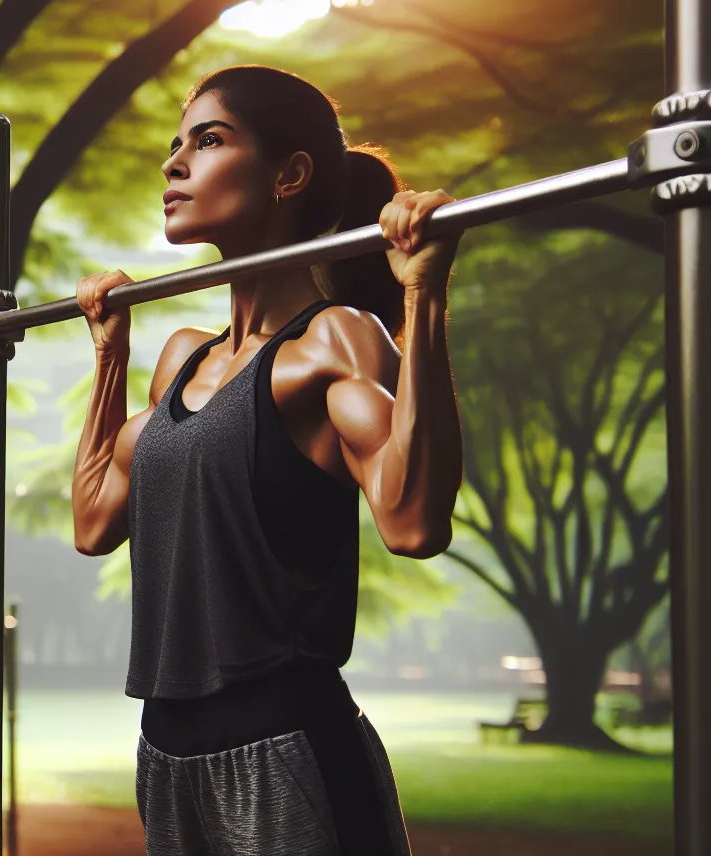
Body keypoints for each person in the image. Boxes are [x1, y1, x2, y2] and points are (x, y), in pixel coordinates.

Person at [71, 65, 464, 855]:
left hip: (290, 750)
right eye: (176, 145)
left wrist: (422, 298)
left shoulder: (335, 341)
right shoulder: (180, 357)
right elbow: (92, 523)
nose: (173, 163)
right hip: (167, 756)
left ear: (289, 174)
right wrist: (109, 356)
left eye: (208, 141)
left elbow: (413, 520)